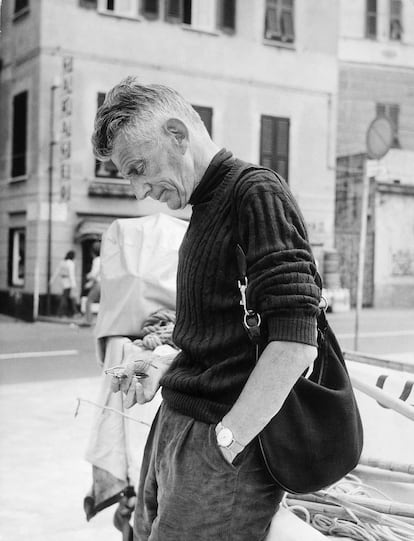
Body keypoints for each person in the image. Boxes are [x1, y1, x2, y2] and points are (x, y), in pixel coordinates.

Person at [92, 77, 321, 541]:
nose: (138, 191)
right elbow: (222, 334)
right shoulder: (204, 207)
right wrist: (162, 366)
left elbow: (296, 342)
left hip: (218, 453)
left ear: (177, 134)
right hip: (177, 430)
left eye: (139, 168)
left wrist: (226, 442)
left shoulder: (255, 193)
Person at [50, 250, 78, 318]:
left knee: (67, 297)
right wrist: (74, 285)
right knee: (65, 298)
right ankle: (62, 313)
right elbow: (71, 275)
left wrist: (51, 281)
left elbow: (57, 271)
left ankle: (72, 312)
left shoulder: (62, 262)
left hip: (62, 281)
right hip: (68, 282)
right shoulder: (71, 263)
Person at [81, 241, 101, 326]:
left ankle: (88, 321)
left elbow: (94, 274)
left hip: (98, 284)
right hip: (105, 284)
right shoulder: (105, 259)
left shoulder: (96, 260)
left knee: (89, 301)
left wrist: (88, 276)